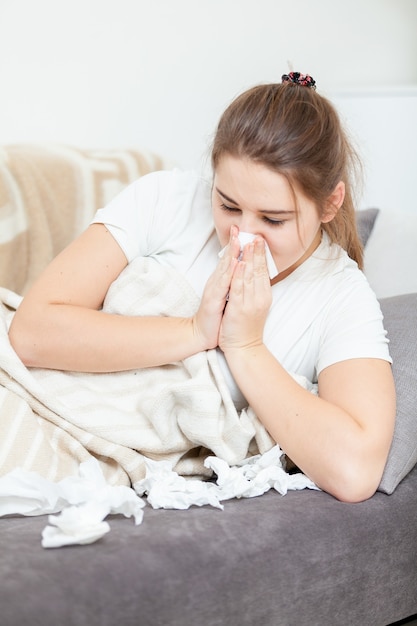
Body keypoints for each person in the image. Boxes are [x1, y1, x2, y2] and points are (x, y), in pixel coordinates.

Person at [8, 72, 396, 503]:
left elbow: (355, 469)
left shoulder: (341, 297)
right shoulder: (163, 199)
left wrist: (245, 347)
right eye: (228, 205)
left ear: (330, 203)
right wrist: (194, 331)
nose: (242, 234)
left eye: (273, 219)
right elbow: (30, 333)